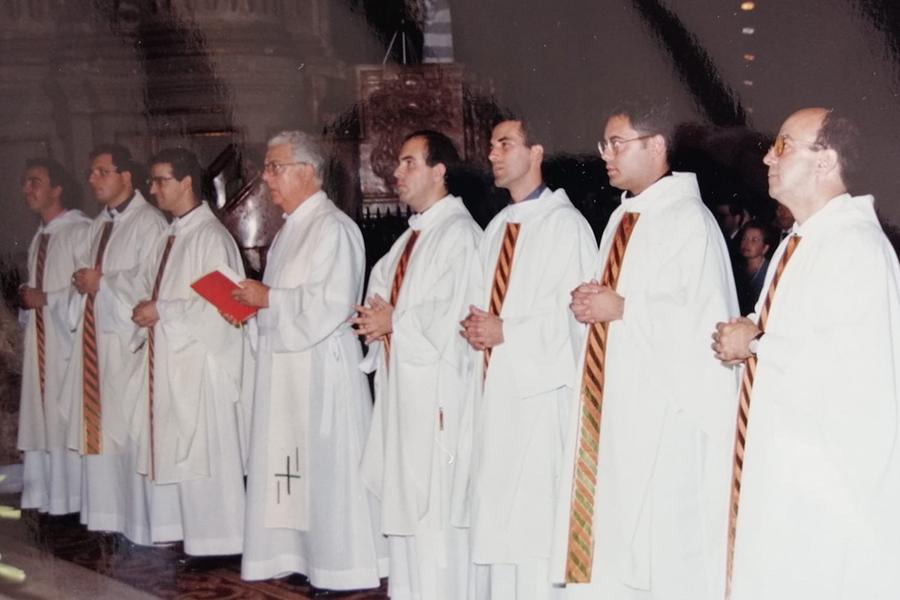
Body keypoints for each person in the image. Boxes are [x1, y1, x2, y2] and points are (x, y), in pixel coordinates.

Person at [552, 100, 738, 600]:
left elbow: (705, 320)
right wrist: (591, 301)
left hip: (661, 412)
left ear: (656, 146)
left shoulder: (688, 220)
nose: (606, 155)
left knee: (658, 541)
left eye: (617, 143)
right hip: (614, 406)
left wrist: (624, 308)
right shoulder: (622, 218)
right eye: (604, 144)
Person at [713, 107, 900, 600]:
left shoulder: (855, 246)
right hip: (785, 474)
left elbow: (851, 371)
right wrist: (753, 333)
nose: (769, 157)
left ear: (825, 160)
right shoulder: (801, 242)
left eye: (785, 145)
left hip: (826, 490)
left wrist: (756, 344)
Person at [235, 130, 387, 590]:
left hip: (321, 371)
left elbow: (332, 304)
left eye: (275, 167)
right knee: (291, 472)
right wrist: (250, 308)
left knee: (326, 471)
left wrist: (269, 299)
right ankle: (300, 556)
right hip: (287, 370)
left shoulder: (335, 228)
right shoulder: (288, 232)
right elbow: (280, 304)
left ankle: (341, 568)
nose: (266, 178)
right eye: (266, 167)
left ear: (307, 171)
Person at [456, 117, 597, 600]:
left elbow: (578, 323)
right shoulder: (497, 228)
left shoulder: (567, 228)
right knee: (499, 523)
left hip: (539, 403)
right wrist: (474, 329)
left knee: (533, 524)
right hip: (495, 401)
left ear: (536, 152)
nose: (493, 154)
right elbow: (480, 307)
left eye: (505, 144)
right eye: (491, 145)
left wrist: (506, 332)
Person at [356, 130, 481, 600]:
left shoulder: (461, 236)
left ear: (439, 170)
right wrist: (374, 319)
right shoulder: (410, 238)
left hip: (436, 399)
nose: (397, 172)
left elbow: (452, 317)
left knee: (435, 512)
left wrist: (395, 322)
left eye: (409, 162)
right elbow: (384, 296)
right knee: (407, 509)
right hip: (401, 395)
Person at [128, 148, 247, 555]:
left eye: (160, 180)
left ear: (185, 183)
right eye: (151, 181)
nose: (152, 188)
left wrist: (160, 310)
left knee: (205, 451)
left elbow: (228, 309)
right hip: (170, 360)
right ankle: (183, 532)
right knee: (176, 448)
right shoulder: (172, 233)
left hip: (202, 365)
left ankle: (220, 541)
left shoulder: (211, 238)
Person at [63, 144, 167, 542]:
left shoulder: (150, 224)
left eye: (101, 172)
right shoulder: (96, 225)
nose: (92, 180)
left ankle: (138, 522)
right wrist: (83, 285)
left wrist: (101, 284)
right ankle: (107, 517)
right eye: (91, 173)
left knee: (127, 432)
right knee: (100, 430)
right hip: (95, 345)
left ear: (127, 177)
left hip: (127, 348)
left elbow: (151, 283)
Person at [17, 158, 91, 515]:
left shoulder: (80, 231)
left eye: (35, 182)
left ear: (57, 188)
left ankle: (73, 500)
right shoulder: (40, 236)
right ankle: (48, 497)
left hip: (67, 347)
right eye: (25, 182)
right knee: (41, 416)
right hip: (42, 345)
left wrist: (47, 299)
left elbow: (88, 293)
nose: (26, 189)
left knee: (64, 418)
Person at [735, 221, 774, 315]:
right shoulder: (737, 268)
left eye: (754, 240)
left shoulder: (770, 271)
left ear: (765, 248)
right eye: (744, 238)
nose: (747, 243)